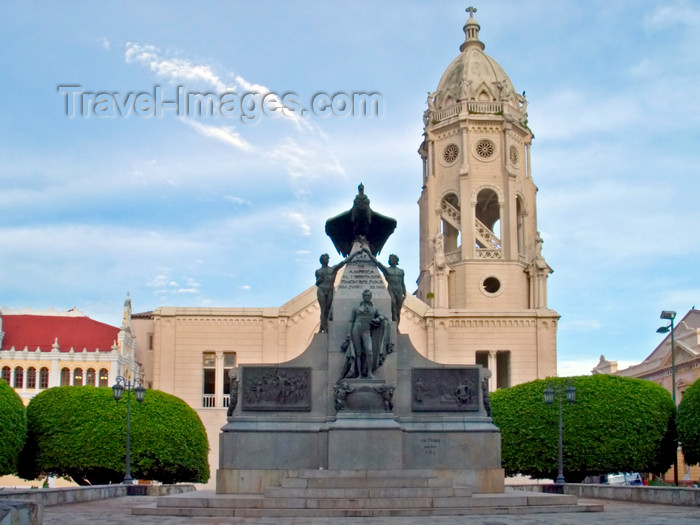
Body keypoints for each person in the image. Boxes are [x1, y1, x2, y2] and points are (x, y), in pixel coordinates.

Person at [315, 252, 357, 333]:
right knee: (323, 309)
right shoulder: (318, 271)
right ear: (321, 260)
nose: (326, 260)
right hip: (321, 289)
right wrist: (319, 279)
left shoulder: (332, 269)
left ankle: (322, 327)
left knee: (328, 309)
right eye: (324, 258)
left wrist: (353, 255)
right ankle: (325, 328)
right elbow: (317, 283)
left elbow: (343, 263)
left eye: (327, 258)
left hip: (330, 289)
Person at [364, 249, 406, 324]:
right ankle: (394, 326)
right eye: (390, 259)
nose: (390, 260)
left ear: (396, 261)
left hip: (399, 290)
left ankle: (396, 327)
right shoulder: (387, 270)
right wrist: (368, 253)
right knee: (393, 307)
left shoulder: (401, 271)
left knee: (398, 311)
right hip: (391, 289)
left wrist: (404, 293)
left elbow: (402, 283)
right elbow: (377, 263)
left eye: (392, 259)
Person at [348, 289, 382, 379]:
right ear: (363, 296)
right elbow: (351, 321)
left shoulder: (374, 309)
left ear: (370, 297)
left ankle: (369, 373)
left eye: (368, 295)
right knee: (358, 353)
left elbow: (381, 316)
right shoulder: (356, 308)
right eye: (365, 295)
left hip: (366, 331)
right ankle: (359, 374)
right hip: (356, 329)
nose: (366, 297)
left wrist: (378, 319)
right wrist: (348, 333)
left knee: (369, 352)